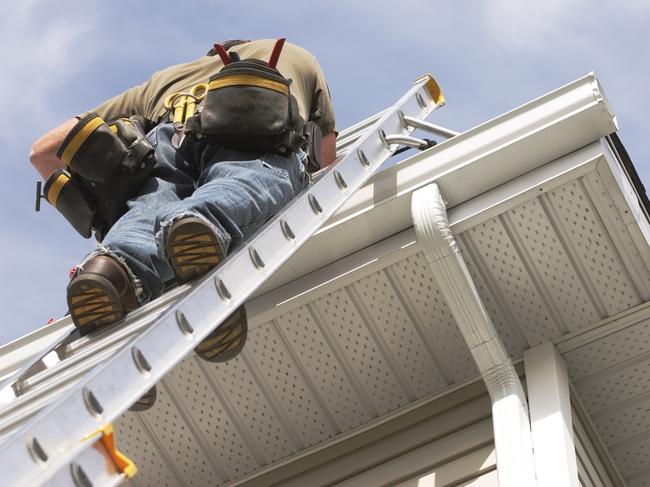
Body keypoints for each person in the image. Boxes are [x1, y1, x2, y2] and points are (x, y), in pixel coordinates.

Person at [29, 39, 337, 365]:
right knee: (248, 178)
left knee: (148, 208)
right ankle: (201, 223)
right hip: (255, 118)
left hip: (167, 135)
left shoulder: (163, 80)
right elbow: (328, 165)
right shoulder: (294, 55)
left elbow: (43, 151)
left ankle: (110, 270)